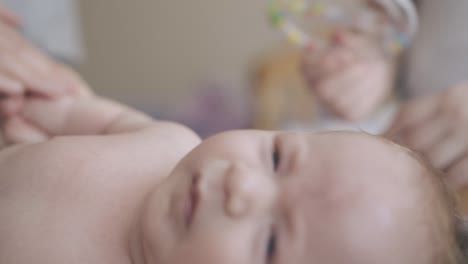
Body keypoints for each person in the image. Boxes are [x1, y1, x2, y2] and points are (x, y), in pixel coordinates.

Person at [0, 60, 467, 264]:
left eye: (268, 245)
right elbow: (107, 121)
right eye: (278, 158)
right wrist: (42, 110)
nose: (241, 187)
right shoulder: (168, 143)